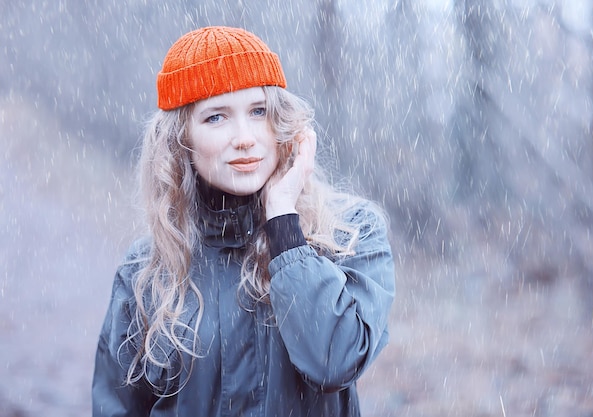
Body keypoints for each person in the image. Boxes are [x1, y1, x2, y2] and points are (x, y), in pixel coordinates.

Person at [92, 26, 395, 417]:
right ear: (179, 139)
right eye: (216, 117)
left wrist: (284, 225)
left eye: (258, 111)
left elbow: (335, 362)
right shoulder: (146, 270)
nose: (245, 138)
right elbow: (117, 407)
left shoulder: (349, 232)